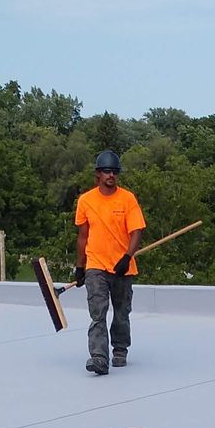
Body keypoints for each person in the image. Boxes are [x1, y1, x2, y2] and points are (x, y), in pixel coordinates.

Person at [72, 150, 146, 375]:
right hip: (96, 265)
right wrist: (80, 266)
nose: (111, 175)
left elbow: (136, 232)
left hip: (122, 266)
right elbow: (83, 236)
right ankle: (99, 357)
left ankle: (120, 349)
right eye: (107, 171)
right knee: (98, 312)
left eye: (114, 171)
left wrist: (127, 256)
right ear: (98, 174)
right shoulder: (86, 200)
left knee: (121, 312)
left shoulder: (127, 198)